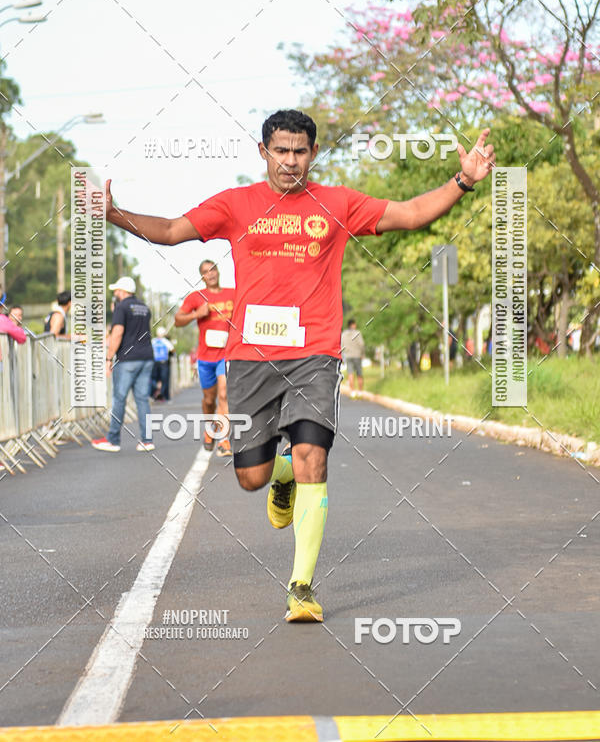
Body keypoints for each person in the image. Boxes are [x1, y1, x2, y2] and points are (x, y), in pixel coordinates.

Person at [104, 109, 495, 621]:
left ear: (313, 153)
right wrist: (115, 215)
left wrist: (463, 180)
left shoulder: (336, 202)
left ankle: (302, 586)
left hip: (315, 353)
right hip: (249, 359)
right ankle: (280, 473)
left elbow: (409, 213)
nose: (291, 161)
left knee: (314, 451)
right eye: (281, 151)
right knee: (251, 477)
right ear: (263, 151)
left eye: (300, 151)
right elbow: (174, 229)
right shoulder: (236, 204)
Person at [174, 261, 235, 457]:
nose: (211, 274)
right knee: (209, 399)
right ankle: (210, 429)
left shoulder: (233, 294)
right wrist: (196, 314)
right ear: (202, 277)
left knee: (224, 394)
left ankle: (224, 439)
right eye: (206, 272)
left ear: (218, 271)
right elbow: (177, 320)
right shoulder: (196, 297)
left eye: (214, 269)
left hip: (226, 354)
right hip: (205, 357)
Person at [92, 276, 155, 453]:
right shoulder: (144, 307)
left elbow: (117, 332)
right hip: (146, 356)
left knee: (119, 398)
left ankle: (113, 439)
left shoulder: (122, 307)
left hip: (128, 358)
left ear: (122, 291)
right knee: (142, 399)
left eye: (116, 290)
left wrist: (108, 358)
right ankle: (147, 440)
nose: (115, 293)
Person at [340, 318, 365, 396]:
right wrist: (363, 354)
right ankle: (360, 392)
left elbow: (341, 345)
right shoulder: (357, 333)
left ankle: (352, 392)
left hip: (348, 356)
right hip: (357, 355)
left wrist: (343, 355)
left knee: (350, 373)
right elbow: (362, 344)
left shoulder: (344, 334)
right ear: (353, 325)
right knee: (359, 373)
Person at [151, 326, 174, 401]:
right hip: (164, 363)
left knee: (154, 379)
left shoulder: (153, 341)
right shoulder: (165, 341)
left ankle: (156, 392)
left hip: (154, 362)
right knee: (164, 379)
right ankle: (163, 395)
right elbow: (172, 350)